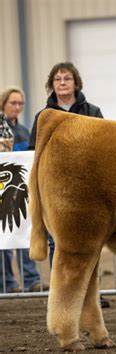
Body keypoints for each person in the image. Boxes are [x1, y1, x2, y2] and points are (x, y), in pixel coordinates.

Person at [29, 62, 110, 307]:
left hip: (90, 190)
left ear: (76, 83)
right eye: (58, 79)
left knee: (91, 243)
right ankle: (60, 295)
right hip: (59, 190)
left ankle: (91, 295)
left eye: (67, 78)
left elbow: (106, 148)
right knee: (58, 242)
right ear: (51, 85)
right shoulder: (43, 118)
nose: (62, 83)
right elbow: (36, 153)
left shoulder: (92, 111)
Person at [0, 87, 47, 293]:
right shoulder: (4, 128)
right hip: (4, 190)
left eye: (20, 103)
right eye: (13, 103)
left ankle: (30, 279)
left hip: (18, 191)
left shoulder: (23, 130)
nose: (17, 107)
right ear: (3, 104)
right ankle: (8, 282)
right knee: (5, 236)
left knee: (23, 233)